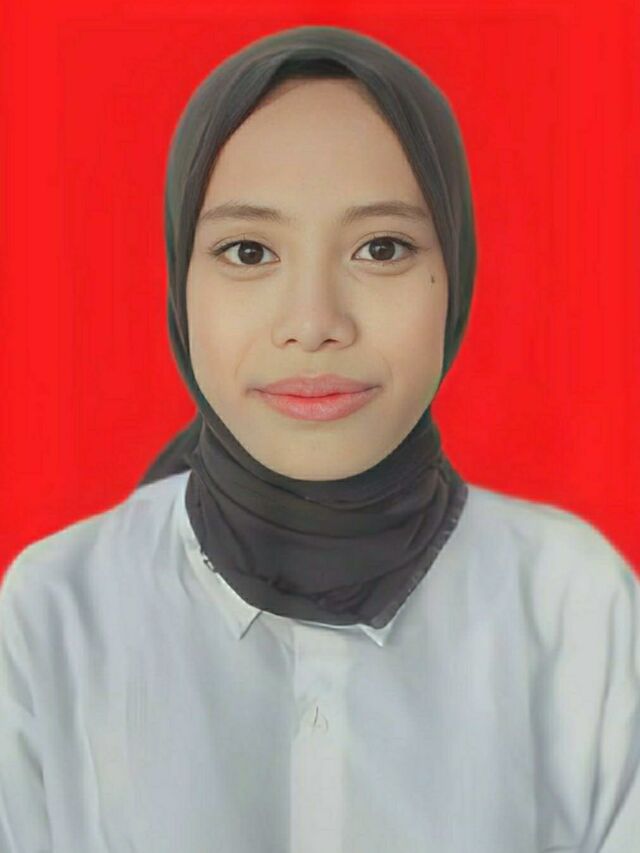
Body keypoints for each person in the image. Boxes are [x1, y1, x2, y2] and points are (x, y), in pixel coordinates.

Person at [1, 24, 638, 853]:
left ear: (456, 273)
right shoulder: (56, 613)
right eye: (248, 250)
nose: (313, 322)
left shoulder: (574, 607)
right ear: (180, 281)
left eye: (382, 248)